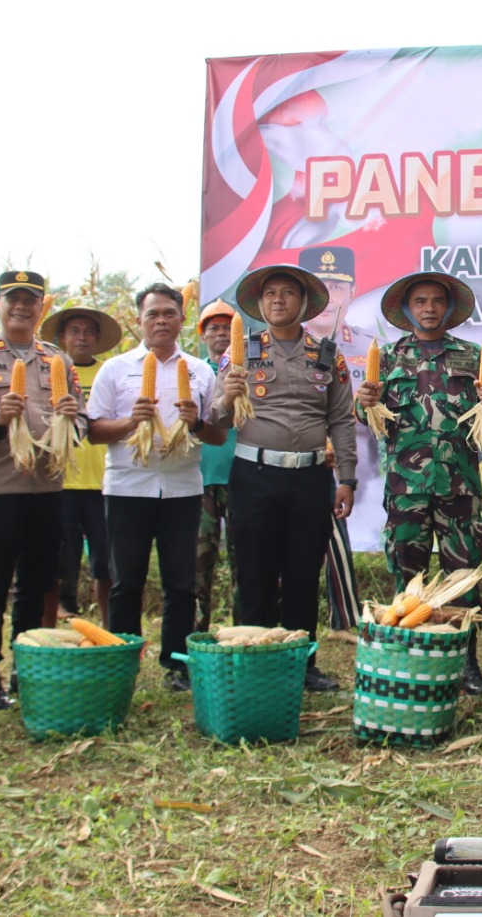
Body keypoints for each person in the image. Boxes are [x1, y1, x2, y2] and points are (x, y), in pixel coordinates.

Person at [354, 271, 482, 695]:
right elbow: (371, 420)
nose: (429, 308)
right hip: (407, 489)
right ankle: (408, 658)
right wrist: (363, 405)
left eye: (437, 301)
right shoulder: (386, 358)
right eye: (420, 301)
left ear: (448, 308)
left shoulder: (473, 357)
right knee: (407, 577)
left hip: (460, 487)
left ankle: (466, 665)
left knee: (464, 579)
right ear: (407, 308)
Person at [210, 265, 355, 692]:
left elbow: (341, 420)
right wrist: (229, 395)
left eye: (287, 293)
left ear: (303, 303)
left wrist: (346, 477)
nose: (277, 299)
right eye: (270, 293)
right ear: (259, 303)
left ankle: (302, 663)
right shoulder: (240, 352)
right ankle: (252, 659)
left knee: (302, 571)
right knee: (254, 569)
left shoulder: (327, 355)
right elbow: (217, 419)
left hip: (310, 478)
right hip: (254, 475)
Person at [87, 283, 227, 691]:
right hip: (127, 488)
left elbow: (218, 435)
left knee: (180, 584)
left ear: (182, 320)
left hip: (183, 489)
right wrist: (131, 422)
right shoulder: (115, 370)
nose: (161, 321)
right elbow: (94, 431)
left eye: (169, 313)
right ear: (139, 321)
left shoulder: (201, 371)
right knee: (125, 581)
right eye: (153, 314)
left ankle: (176, 664)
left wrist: (197, 422)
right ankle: (122, 660)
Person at [0, 271, 87, 711]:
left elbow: (83, 425)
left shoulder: (58, 361)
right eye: (13, 299)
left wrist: (72, 418)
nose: (21, 307)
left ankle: (24, 672)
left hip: (47, 489)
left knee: (35, 586)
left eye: (30, 300)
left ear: (40, 306)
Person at [302, 244, 385, 565]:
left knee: (347, 571)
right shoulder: (279, 347)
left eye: (336, 287)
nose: (328, 297)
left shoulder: (374, 349)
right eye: (319, 287)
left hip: (361, 490)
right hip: (298, 476)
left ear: (353, 292)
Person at [40, 304, 121, 624]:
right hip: (60, 482)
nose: (82, 337)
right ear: (62, 338)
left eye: (89, 331)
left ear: (98, 338)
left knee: (105, 565)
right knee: (59, 563)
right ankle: (53, 630)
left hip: (103, 483)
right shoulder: (47, 371)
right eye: (75, 331)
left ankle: (109, 625)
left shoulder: (109, 372)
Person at [193, 299, 238, 628]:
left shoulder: (250, 372)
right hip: (199, 481)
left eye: (227, 327)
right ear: (203, 335)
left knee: (245, 565)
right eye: (214, 328)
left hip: (242, 480)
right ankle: (195, 636)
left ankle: (245, 634)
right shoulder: (193, 374)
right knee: (197, 565)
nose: (221, 333)